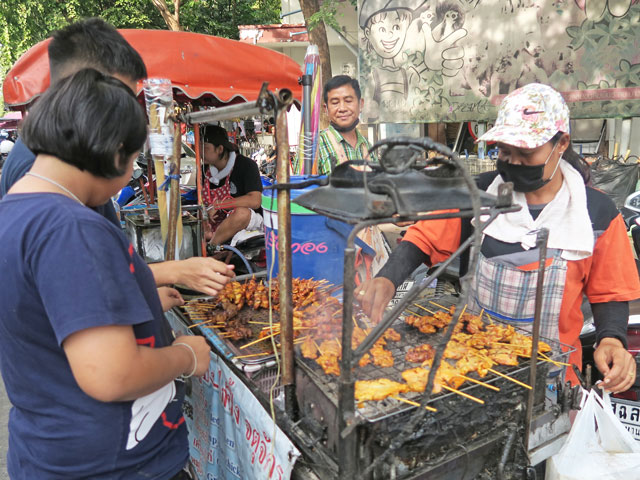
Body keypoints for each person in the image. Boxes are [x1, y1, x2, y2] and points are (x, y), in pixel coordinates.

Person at [358, 83, 640, 393]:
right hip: (473, 370)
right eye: (505, 150)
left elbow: (610, 293)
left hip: (552, 378)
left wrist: (611, 338)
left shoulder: (596, 213)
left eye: (526, 151)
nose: (514, 161)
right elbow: (421, 239)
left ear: (561, 144)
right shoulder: (477, 195)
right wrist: (387, 279)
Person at [0, 68, 205, 479]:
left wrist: (143, 302)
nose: (130, 174)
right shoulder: (72, 227)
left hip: (51, 452)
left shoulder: (14, 212)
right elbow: (110, 375)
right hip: (111, 467)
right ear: (115, 153)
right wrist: (186, 355)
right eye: (133, 161)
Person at [0, 18, 234, 297]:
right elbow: (84, 287)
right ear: (83, 92)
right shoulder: (44, 180)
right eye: (118, 96)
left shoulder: (65, 161)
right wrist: (173, 276)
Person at [295, 75, 378, 176]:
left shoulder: (368, 147)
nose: (342, 108)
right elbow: (300, 189)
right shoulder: (313, 146)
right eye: (335, 102)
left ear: (361, 104)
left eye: (348, 101)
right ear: (326, 109)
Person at [201, 124, 263, 246]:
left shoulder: (246, 165)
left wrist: (219, 205)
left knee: (242, 213)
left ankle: (211, 247)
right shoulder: (203, 170)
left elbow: (255, 200)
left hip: (246, 223)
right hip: (216, 226)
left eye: (205, 148)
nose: (200, 152)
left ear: (219, 149)